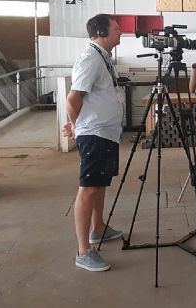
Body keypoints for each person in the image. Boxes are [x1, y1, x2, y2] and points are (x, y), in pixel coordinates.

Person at [62, 14, 125, 272]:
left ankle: (98, 228)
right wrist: (77, 126)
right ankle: (83, 251)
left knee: (99, 183)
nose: (120, 33)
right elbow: (74, 98)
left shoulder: (103, 57)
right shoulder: (90, 58)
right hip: (95, 132)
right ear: (101, 31)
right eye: (116, 29)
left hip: (106, 132)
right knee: (88, 188)